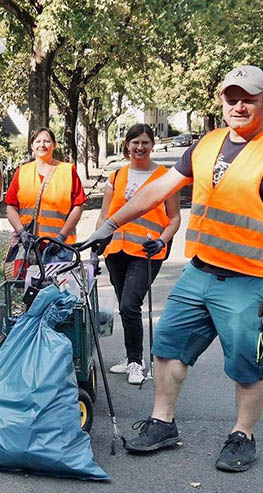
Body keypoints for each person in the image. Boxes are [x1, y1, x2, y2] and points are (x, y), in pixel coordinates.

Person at [81, 65, 263, 472]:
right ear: (222, 100)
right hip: (199, 272)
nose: (239, 105)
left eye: (249, 97)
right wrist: (111, 223)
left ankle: (242, 435)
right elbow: (160, 189)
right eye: (232, 97)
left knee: (248, 364)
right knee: (167, 347)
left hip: (249, 280)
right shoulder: (207, 143)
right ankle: (163, 423)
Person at [97, 124, 182, 385]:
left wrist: (162, 240)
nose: (140, 147)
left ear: (152, 144)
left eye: (145, 142)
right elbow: (105, 213)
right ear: (127, 145)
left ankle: (136, 362)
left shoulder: (165, 177)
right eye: (135, 142)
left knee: (129, 305)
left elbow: (175, 217)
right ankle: (131, 356)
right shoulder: (116, 175)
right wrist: (98, 239)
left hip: (146, 252)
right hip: (116, 250)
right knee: (125, 308)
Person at [4, 127, 86, 277]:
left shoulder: (67, 171)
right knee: (29, 291)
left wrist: (61, 237)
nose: (42, 144)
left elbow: (77, 207)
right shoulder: (22, 172)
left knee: (58, 291)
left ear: (54, 145)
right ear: (32, 146)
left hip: (60, 247)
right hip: (30, 246)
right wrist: (22, 233)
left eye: (47, 141)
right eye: (38, 141)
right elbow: (11, 207)